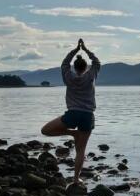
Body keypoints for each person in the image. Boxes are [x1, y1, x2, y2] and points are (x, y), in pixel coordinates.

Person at [41, 38, 100, 184]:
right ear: (86, 67)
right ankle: (75, 179)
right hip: (87, 116)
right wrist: (85, 50)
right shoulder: (91, 76)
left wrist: (75, 50)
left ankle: (71, 133)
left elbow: (64, 63)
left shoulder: (68, 76)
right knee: (81, 150)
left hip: (73, 114)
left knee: (45, 130)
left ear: (74, 67)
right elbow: (97, 62)